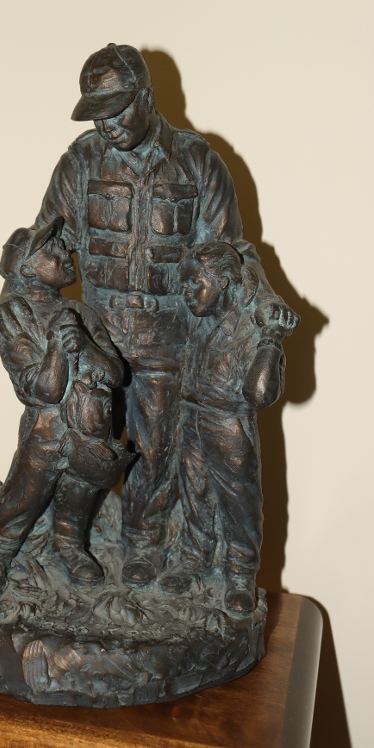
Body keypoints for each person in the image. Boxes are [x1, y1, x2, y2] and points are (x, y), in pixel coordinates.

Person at [33, 44, 299, 586]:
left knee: (157, 447)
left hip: (168, 336)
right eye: (96, 114)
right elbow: (42, 247)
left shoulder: (198, 163)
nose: (107, 125)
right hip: (96, 334)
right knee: (82, 441)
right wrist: (26, 315)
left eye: (117, 109)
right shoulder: (79, 163)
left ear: (147, 98)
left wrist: (262, 310)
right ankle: (67, 539)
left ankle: (144, 542)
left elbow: (228, 255)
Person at [0, 217, 129, 595]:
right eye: (52, 249)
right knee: (27, 494)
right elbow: (43, 391)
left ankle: (69, 546)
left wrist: (85, 344)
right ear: (27, 268)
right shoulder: (12, 314)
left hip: (90, 427)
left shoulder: (82, 313)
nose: (65, 253)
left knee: (79, 492)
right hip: (47, 429)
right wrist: (59, 347)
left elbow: (115, 374)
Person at [174, 241, 298, 612]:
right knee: (193, 492)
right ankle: (194, 558)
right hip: (191, 417)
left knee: (237, 503)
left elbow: (260, 394)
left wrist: (271, 340)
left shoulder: (252, 329)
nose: (187, 292)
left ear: (224, 282)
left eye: (196, 283)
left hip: (228, 423)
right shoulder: (198, 317)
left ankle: (240, 574)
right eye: (185, 284)